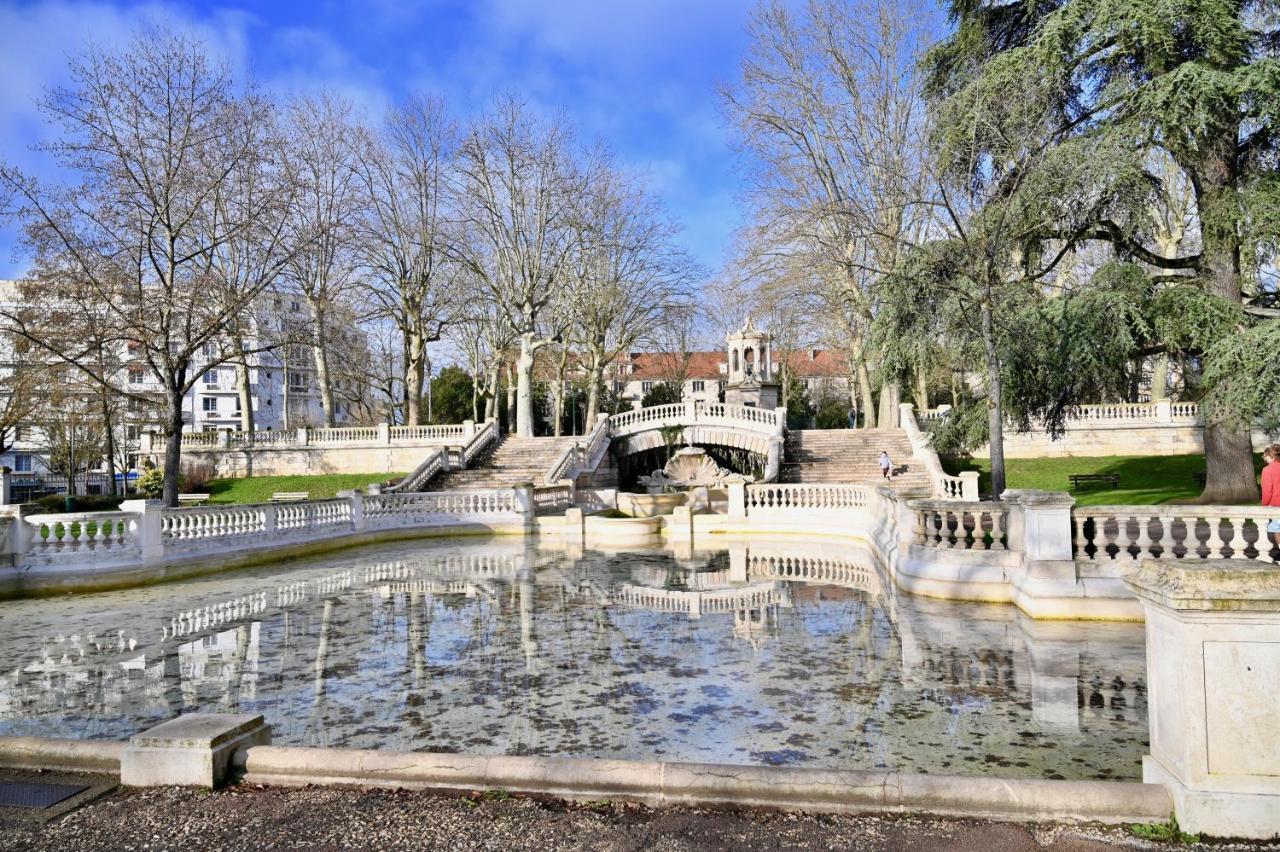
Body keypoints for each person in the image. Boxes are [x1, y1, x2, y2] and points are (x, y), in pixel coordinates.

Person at [1262, 444, 1280, 560]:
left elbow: (1267, 491)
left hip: (1276, 505)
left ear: (1270, 456)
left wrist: (1263, 506)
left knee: (1278, 529)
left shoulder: (1268, 470)